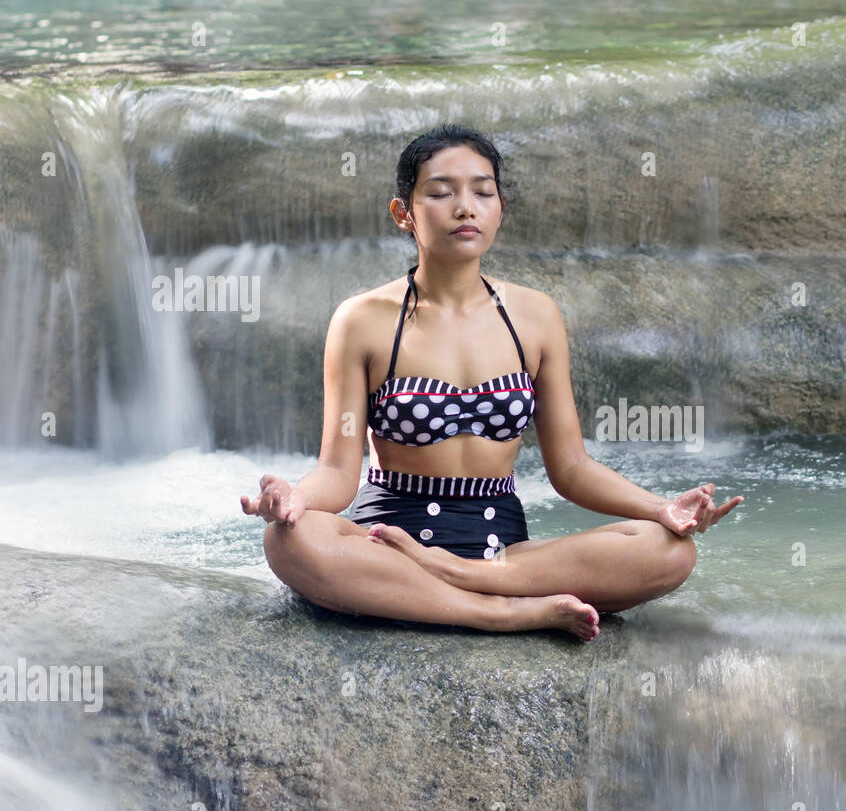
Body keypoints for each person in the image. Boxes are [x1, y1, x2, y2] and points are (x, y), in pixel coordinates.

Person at [241, 125, 742, 642]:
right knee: (289, 541)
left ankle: (462, 579)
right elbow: (337, 472)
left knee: (668, 550)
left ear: (500, 206)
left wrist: (659, 507)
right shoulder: (362, 319)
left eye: (483, 192)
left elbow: (571, 467)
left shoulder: (535, 315)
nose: (465, 207)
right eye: (440, 192)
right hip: (386, 545)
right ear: (403, 213)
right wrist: (296, 499)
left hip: (501, 552)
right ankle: (498, 613)